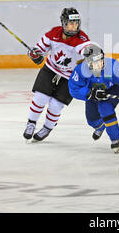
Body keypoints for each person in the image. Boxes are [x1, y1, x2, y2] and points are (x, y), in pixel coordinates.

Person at [23, 8, 93, 142]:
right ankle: (31, 123)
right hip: (50, 69)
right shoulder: (53, 33)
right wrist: (34, 54)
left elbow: (87, 49)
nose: (74, 26)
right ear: (63, 23)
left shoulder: (81, 39)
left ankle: (47, 128)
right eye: (70, 23)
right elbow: (40, 49)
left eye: (76, 23)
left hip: (70, 76)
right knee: (40, 97)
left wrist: (95, 56)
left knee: (56, 105)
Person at [68, 45, 119, 153]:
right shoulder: (80, 71)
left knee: (105, 107)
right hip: (93, 92)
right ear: (87, 62)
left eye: (100, 60)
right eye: (94, 62)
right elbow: (74, 89)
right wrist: (90, 93)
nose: (99, 64)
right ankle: (101, 126)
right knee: (92, 120)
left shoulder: (112, 65)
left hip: (114, 89)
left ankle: (115, 139)